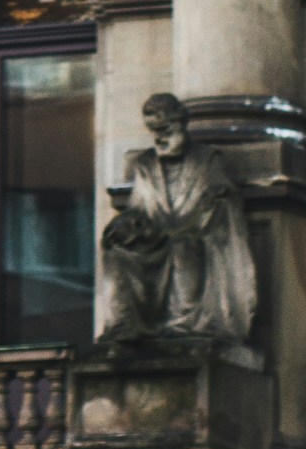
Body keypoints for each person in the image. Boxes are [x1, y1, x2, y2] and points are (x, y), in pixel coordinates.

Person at [97, 92, 258, 346]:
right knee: (116, 253)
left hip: (194, 233)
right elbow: (138, 209)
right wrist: (125, 226)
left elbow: (223, 201)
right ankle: (125, 324)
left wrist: (212, 207)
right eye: (153, 131)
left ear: (181, 123)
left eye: (165, 129)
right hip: (154, 240)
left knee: (184, 247)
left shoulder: (207, 159)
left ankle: (184, 326)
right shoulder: (144, 164)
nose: (159, 138)